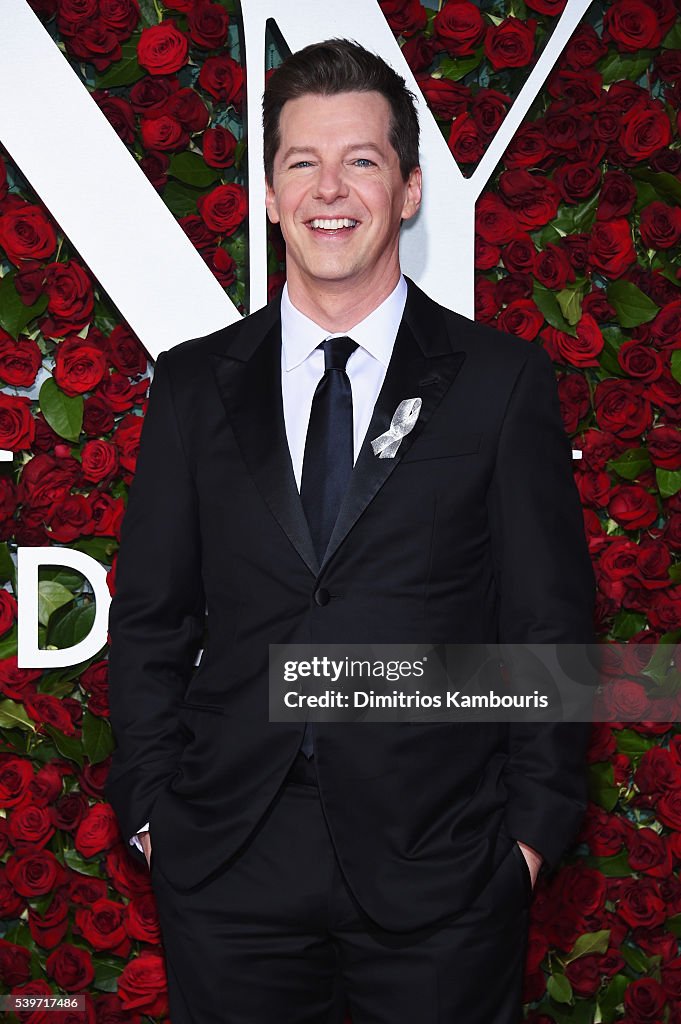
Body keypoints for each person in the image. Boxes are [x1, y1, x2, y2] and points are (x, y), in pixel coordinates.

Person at [105, 38, 596, 1024]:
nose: (333, 188)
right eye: (303, 162)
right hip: (230, 864)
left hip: (443, 868)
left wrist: (528, 840)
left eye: (362, 160)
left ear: (410, 190)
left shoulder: (501, 383)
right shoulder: (196, 384)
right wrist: (156, 812)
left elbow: (551, 628)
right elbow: (153, 617)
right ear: (273, 196)